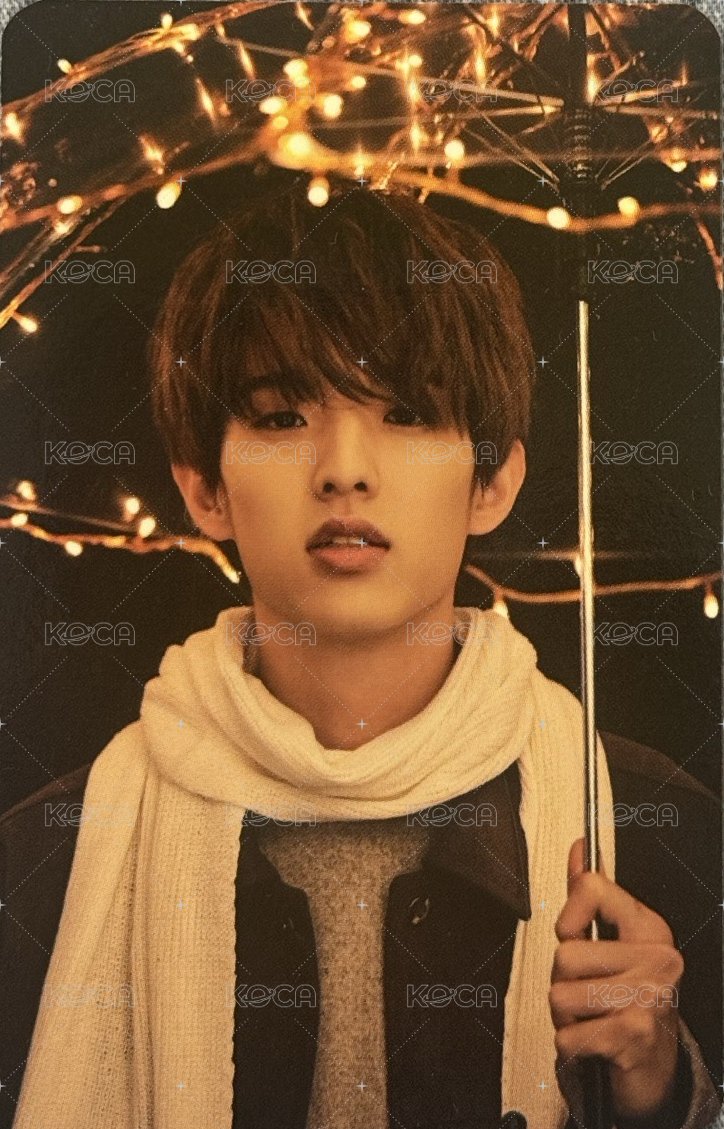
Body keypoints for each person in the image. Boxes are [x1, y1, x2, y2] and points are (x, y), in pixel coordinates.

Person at [0, 181, 720, 1129]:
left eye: (408, 412)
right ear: (203, 486)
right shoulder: (50, 857)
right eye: (281, 416)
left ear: (494, 480)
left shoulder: (649, 830)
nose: (345, 468)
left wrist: (661, 1084)